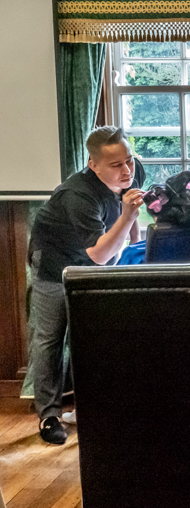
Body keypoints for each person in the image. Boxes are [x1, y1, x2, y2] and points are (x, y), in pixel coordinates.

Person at [26, 126, 145, 445]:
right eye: (116, 165)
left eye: (129, 160)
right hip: (55, 264)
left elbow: (129, 224)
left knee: (93, 337)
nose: (127, 170)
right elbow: (100, 255)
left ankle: (90, 409)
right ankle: (49, 416)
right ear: (93, 165)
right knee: (50, 339)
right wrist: (128, 215)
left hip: (92, 261)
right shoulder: (78, 195)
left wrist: (134, 237)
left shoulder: (131, 172)